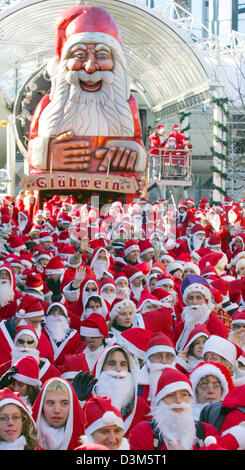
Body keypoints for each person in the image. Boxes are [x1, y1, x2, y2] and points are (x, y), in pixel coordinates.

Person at [28, 5, 146, 174]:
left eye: (102, 55)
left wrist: (131, 153)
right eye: (79, 55)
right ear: (63, 64)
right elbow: (33, 143)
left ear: (116, 63)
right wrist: (47, 153)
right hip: (58, 187)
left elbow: (138, 143)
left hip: (114, 189)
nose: (90, 67)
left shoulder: (127, 106)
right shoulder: (48, 104)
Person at [128, 368, 217, 450]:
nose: (178, 401)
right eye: (170, 395)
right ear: (160, 401)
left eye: (183, 395)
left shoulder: (208, 432)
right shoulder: (142, 433)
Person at [174, 275, 229, 352]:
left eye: (199, 298)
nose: (194, 302)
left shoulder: (215, 323)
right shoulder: (183, 322)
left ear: (206, 301)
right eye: (191, 298)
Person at [32, 377, 85, 450]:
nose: (57, 410)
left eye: (64, 403)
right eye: (50, 403)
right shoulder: (24, 439)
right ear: (41, 406)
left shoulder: (84, 443)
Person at [43, 302, 84, 368]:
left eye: (60, 313)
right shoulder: (42, 334)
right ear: (47, 317)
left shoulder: (76, 338)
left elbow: (77, 360)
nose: (56, 316)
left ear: (66, 318)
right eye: (52, 313)